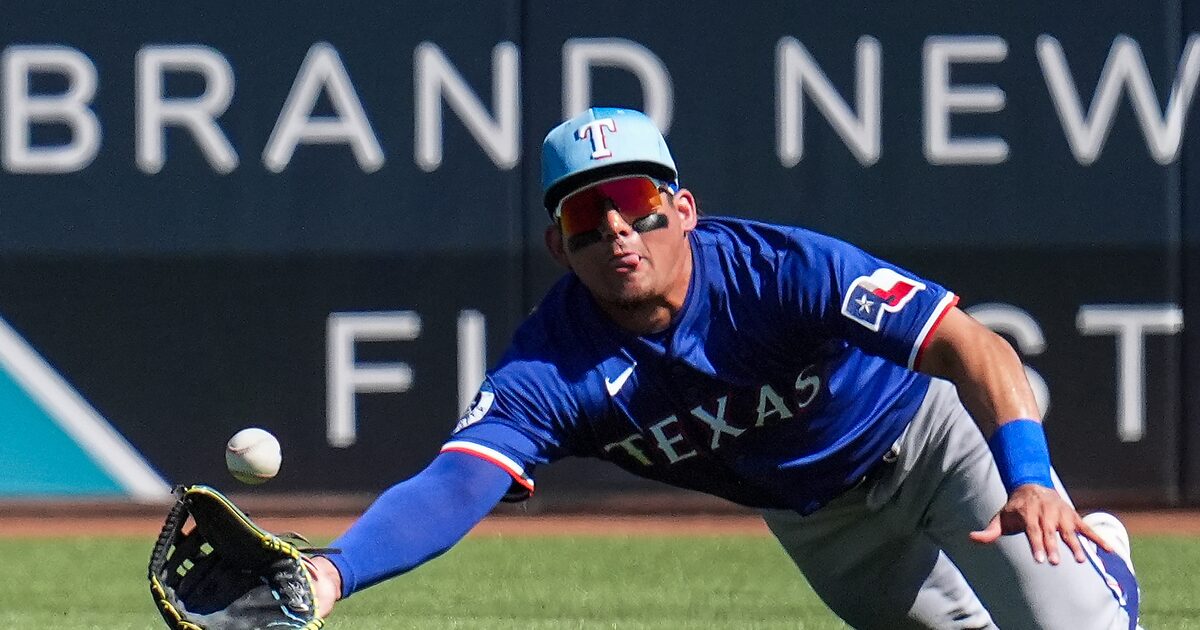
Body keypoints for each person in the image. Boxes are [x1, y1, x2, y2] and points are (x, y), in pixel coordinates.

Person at [306, 107, 1140, 629]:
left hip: (928, 447)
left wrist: (1028, 475)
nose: (619, 232)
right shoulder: (552, 364)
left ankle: (1103, 556)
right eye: (588, 219)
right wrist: (331, 573)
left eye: (635, 203)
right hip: (818, 521)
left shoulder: (777, 270)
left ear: (683, 210)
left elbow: (973, 346)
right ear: (560, 246)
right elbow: (454, 485)